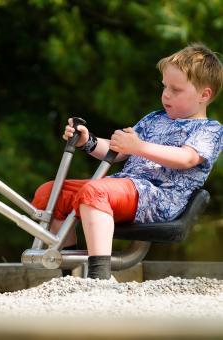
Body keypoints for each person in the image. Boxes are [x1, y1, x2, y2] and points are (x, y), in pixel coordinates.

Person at [32, 43, 223, 280]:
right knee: (50, 192)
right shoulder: (154, 119)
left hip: (159, 197)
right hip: (125, 187)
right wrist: (87, 141)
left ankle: (99, 276)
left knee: (96, 192)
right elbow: (118, 151)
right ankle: (71, 271)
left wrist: (140, 147)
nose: (166, 94)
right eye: (164, 87)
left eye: (176, 89)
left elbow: (187, 158)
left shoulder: (210, 130)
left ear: (204, 95)